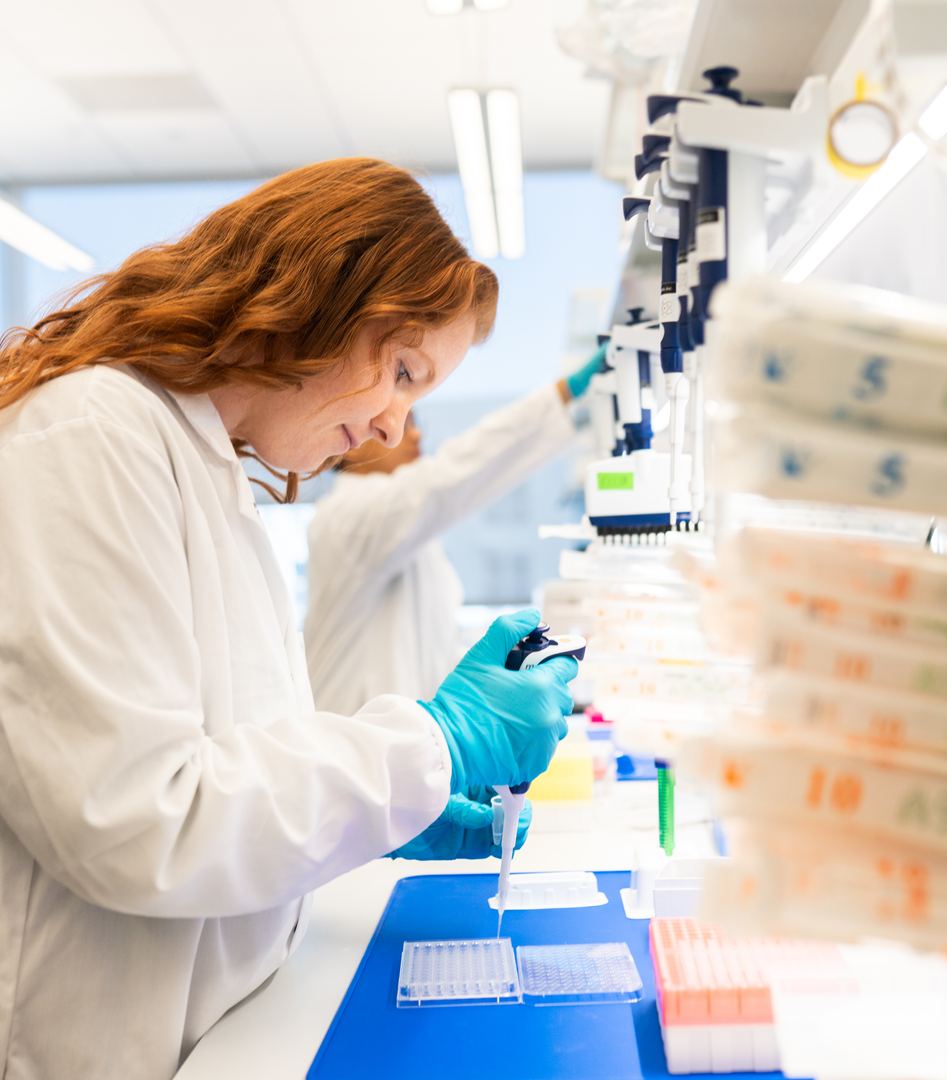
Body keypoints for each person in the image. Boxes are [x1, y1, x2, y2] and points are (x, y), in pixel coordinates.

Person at [0, 159, 577, 1080]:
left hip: (222, 1025)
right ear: (317, 297)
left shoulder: (212, 471)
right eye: (399, 370)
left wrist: (387, 812)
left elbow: (237, 753)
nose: (394, 428)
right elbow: (137, 817)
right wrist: (437, 743)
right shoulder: (90, 437)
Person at [304, 350, 604, 714]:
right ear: (347, 441)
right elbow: (454, 473)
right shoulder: (348, 517)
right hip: (350, 752)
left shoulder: (404, 534)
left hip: (400, 747)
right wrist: (561, 395)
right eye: (405, 419)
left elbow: (433, 655)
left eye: (414, 419)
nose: (413, 433)